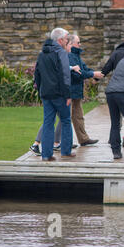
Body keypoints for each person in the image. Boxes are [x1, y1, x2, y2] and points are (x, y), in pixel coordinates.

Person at [33, 28, 74, 161]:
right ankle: (66, 151)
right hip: (60, 94)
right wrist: (68, 94)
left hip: (46, 93)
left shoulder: (42, 54)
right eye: (67, 39)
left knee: (48, 122)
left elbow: (37, 74)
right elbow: (65, 74)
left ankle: (46, 154)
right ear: (60, 40)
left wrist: (40, 89)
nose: (68, 41)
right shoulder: (60, 52)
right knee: (66, 120)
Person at [101, 29, 124, 147]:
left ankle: (114, 138)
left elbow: (106, 68)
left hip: (116, 86)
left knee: (117, 116)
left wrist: (96, 77)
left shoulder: (116, 53)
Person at [67, 34, 103, 147]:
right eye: (78, 42)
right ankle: (64, 142)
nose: (80, 44)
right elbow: (76, 74)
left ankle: (83, 139)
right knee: (66, 118)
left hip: (76, 91)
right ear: (72, 43)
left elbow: (84, 69)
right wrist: (93, 74)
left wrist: (95, 75)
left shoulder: (76, 55)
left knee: (78, 116)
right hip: (70, 91)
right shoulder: (70, 56)